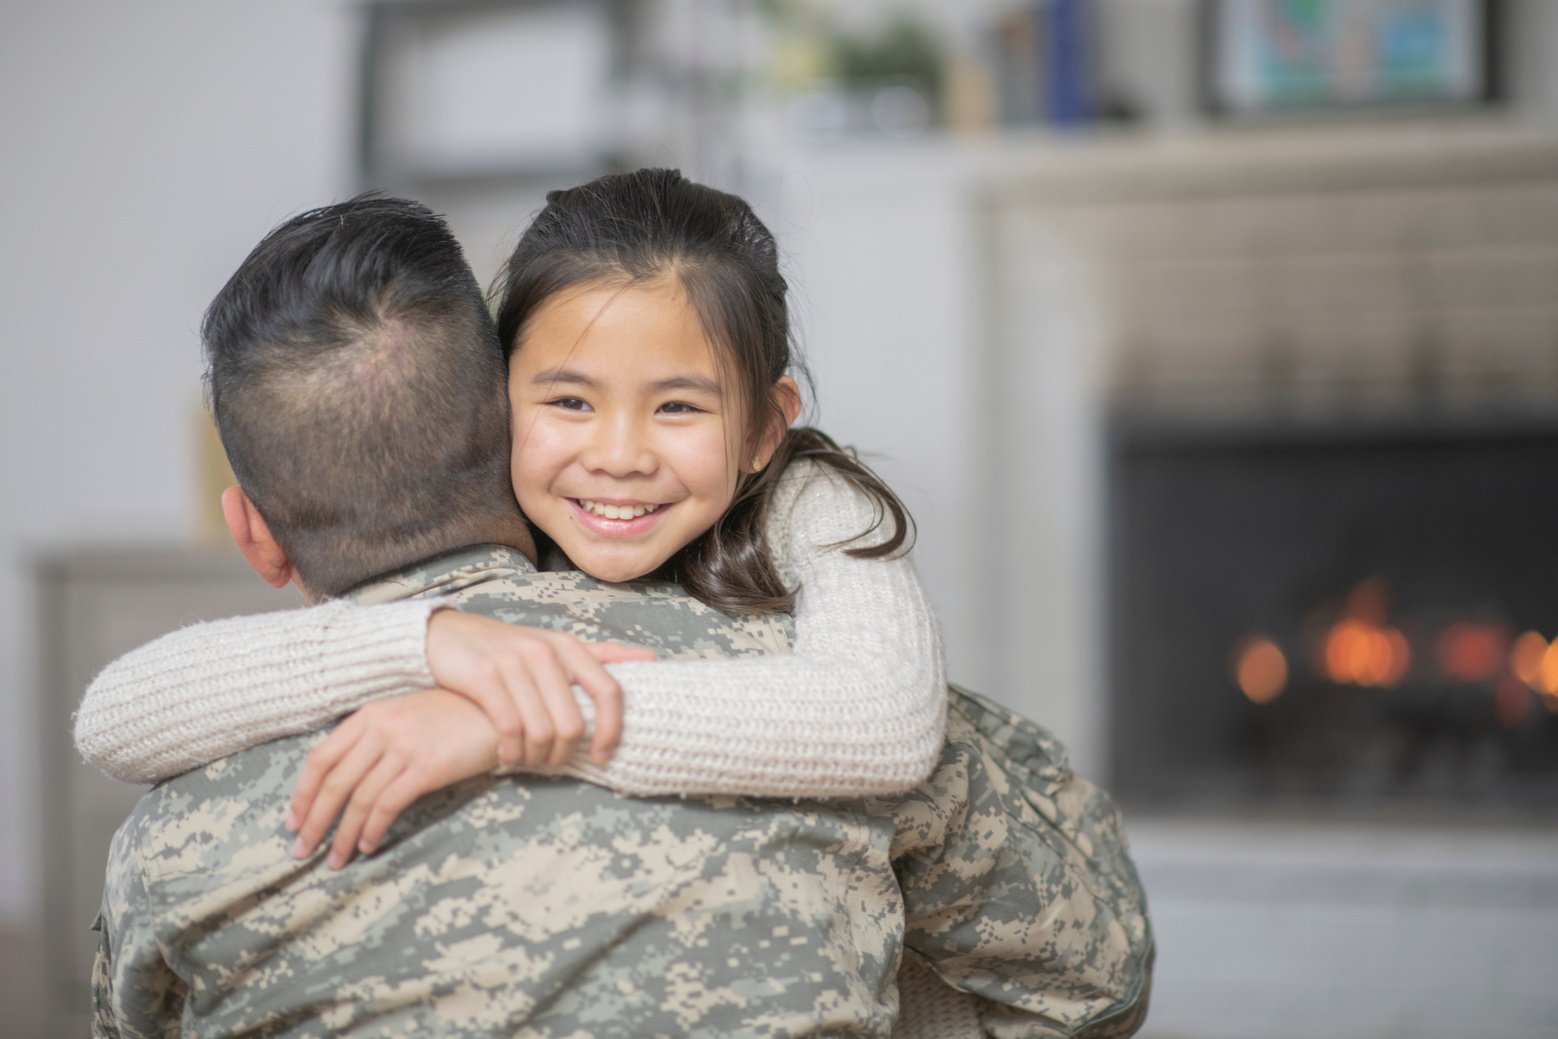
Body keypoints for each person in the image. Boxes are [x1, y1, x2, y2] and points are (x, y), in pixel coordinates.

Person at [88, 191, 1153, 1036]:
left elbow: (881, 721)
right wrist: (426, 644)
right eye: (569, 401)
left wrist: (514, 719)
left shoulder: (819, 619)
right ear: (496, 413)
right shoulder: (765, 665)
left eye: (678, 404)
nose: (620, 452)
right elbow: (1092, 980)